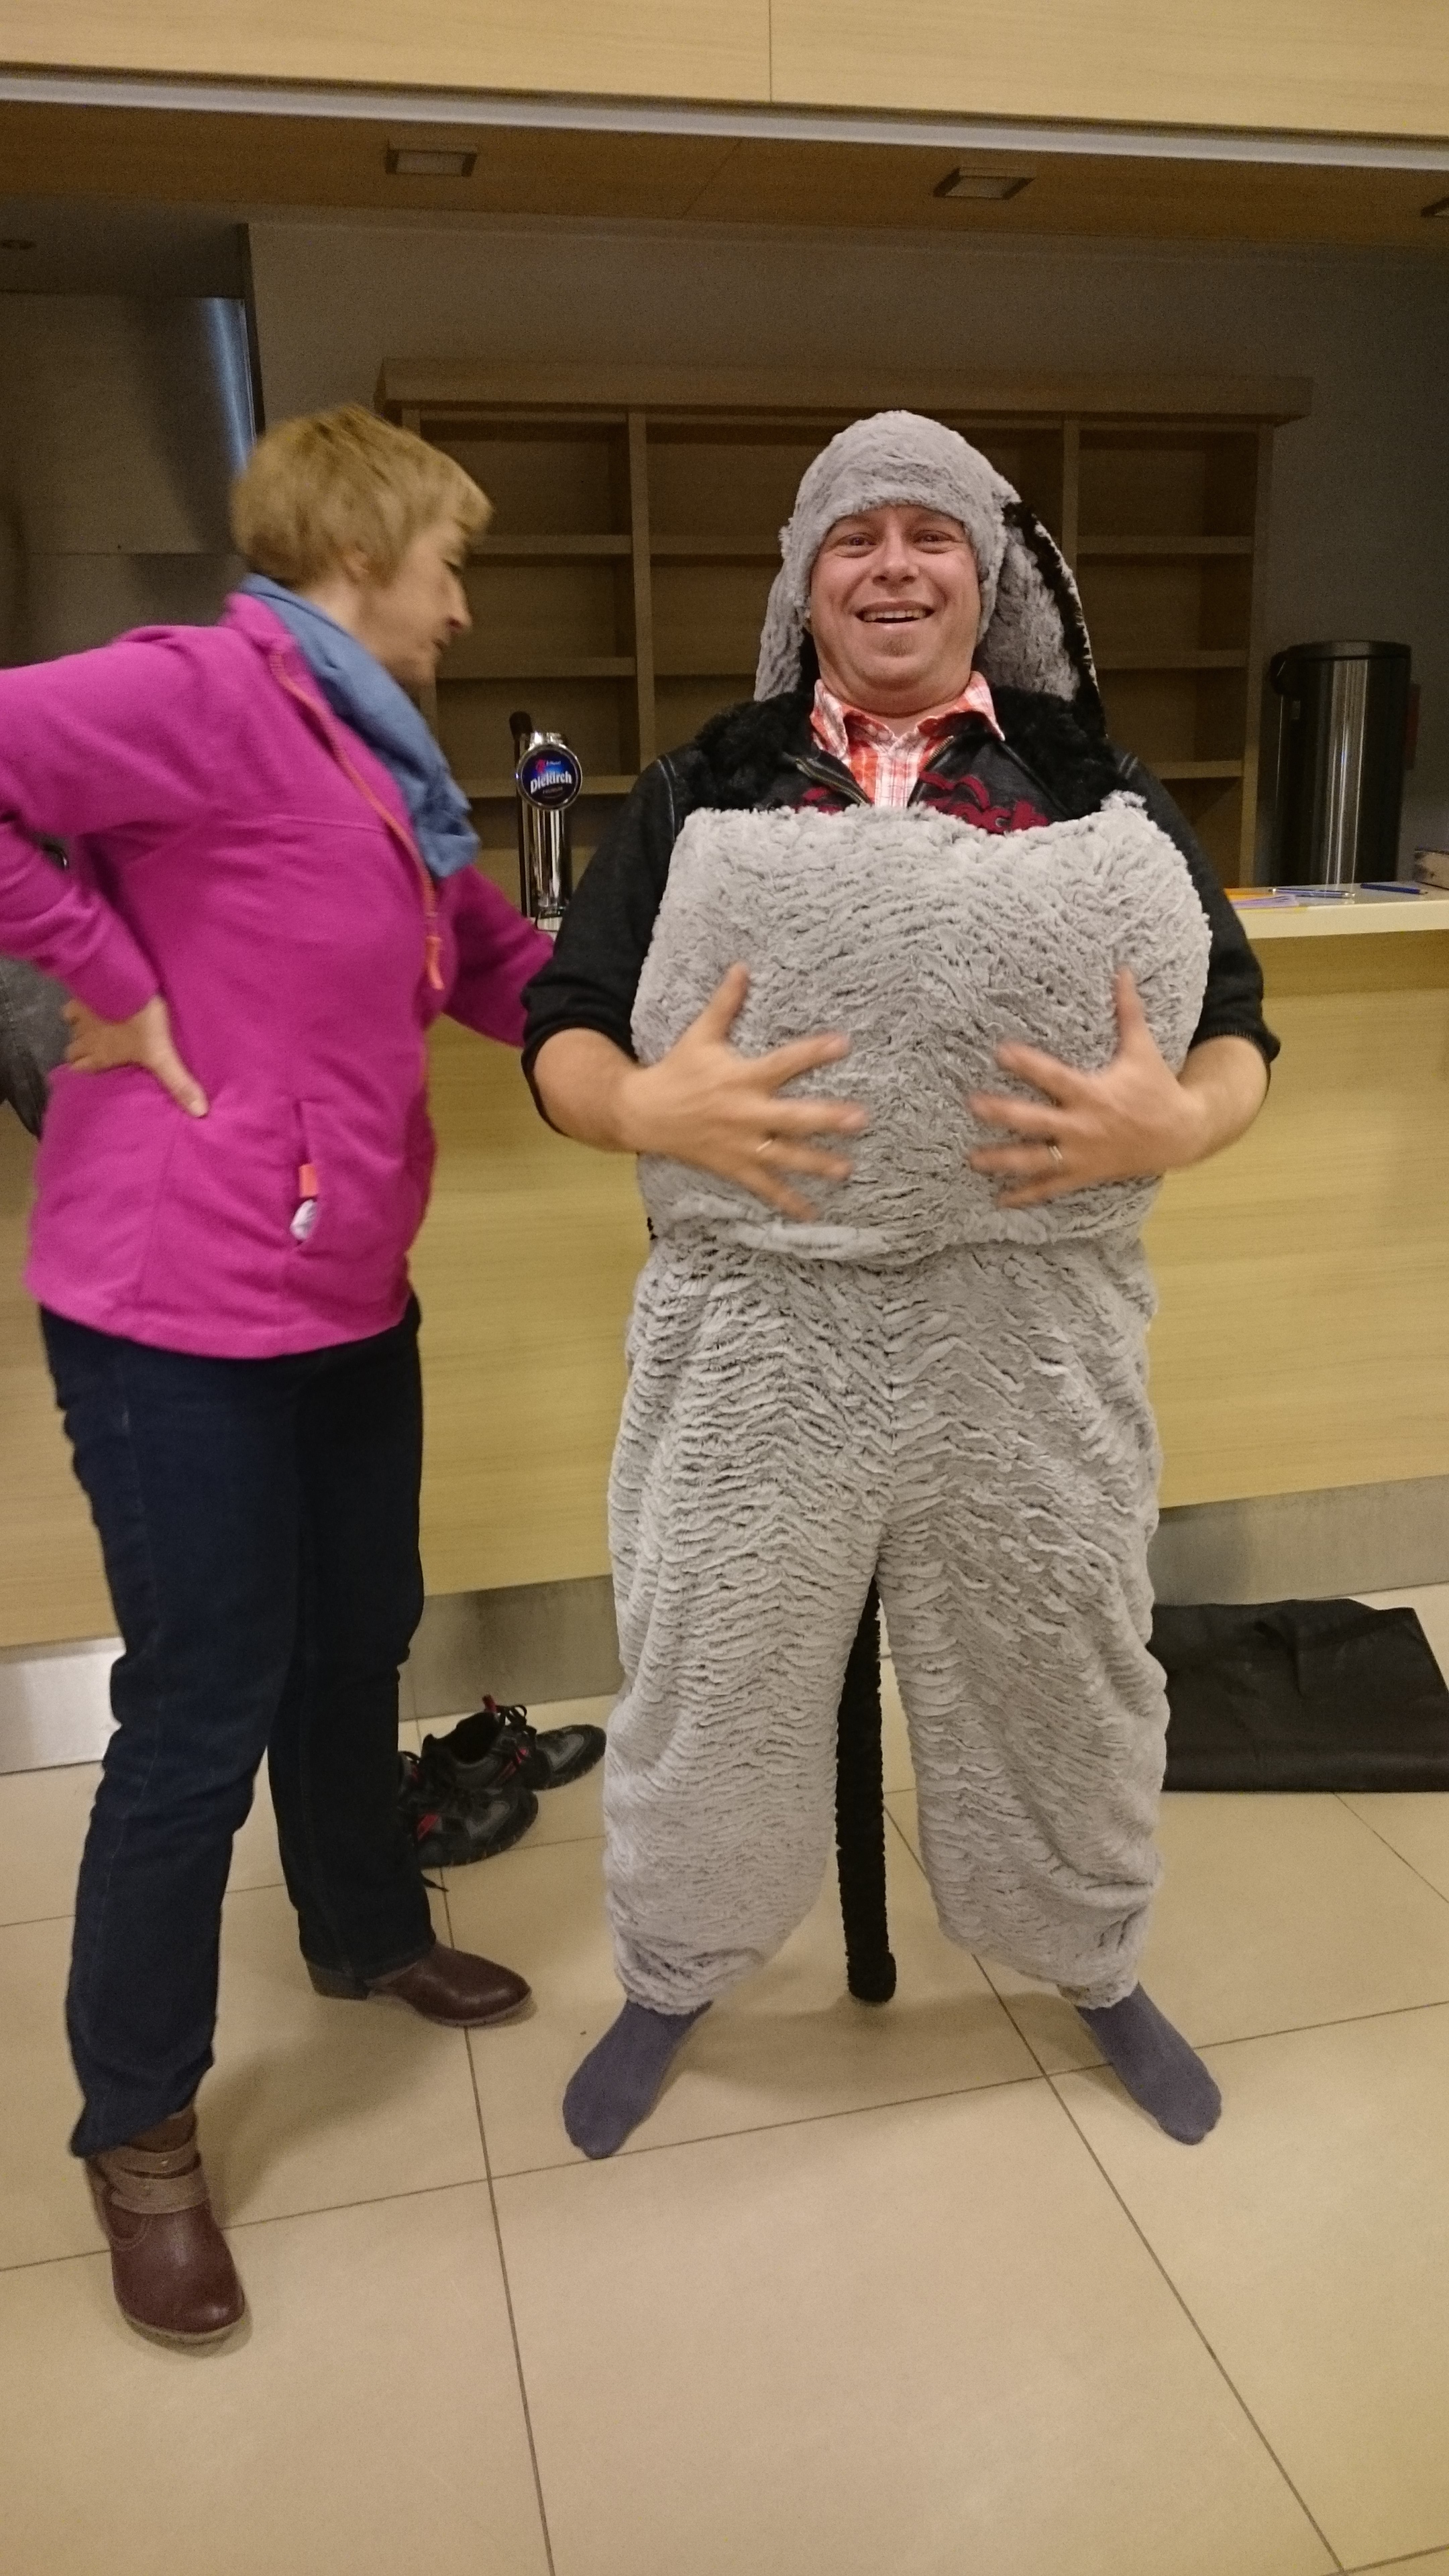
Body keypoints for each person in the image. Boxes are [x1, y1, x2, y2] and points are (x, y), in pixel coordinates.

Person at [523, 411, 1278, 2159]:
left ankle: (1095, 1954)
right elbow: (563, 1024)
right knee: (712, 1660)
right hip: (757, 1327)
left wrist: (1182, 1121)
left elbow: (1237, 1024)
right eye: (853, 536)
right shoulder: (706, 785)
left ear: (984, 577)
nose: (892, 565)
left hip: (1030, 1327)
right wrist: (636, 1105)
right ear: (804, 581)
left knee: (1064, 1654)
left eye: (929, 535)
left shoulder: (1091, 785)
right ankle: (674, 1966)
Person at [0, 405, 552, 2347]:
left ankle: (364, 1929)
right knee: (199, 1707)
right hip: (173, 1305)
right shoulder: (207, 692)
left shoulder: (372, 755)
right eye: (449, 565)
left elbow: (484, 959)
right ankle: (139, 2132)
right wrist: (103, 967)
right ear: (363, 549)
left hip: (345, 1291)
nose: (461, 607)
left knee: (357, 1636)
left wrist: (650, 1030)